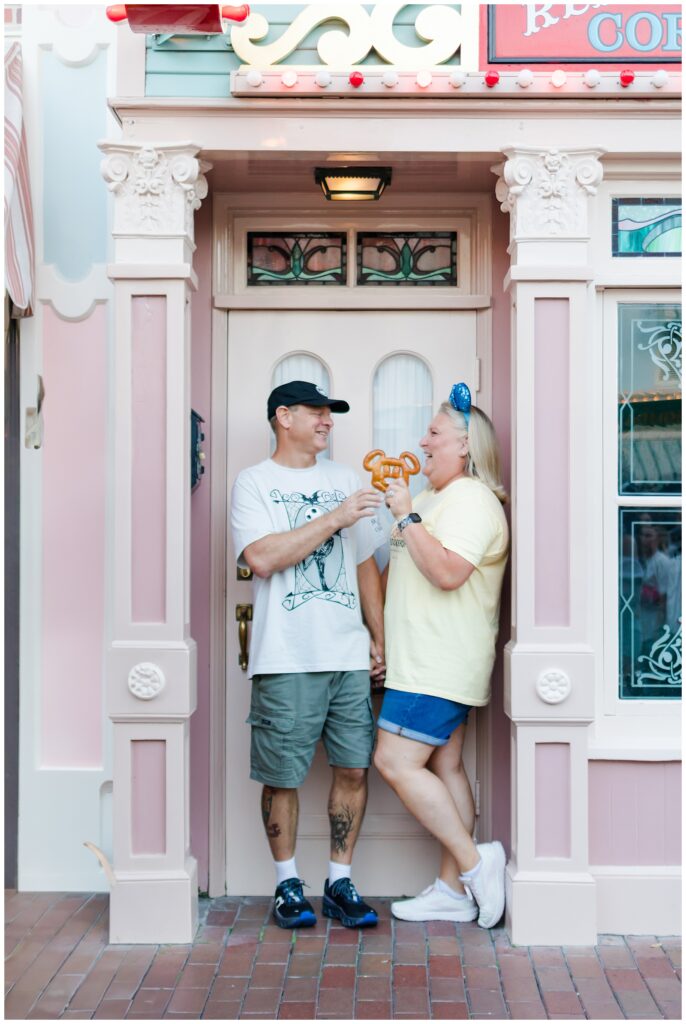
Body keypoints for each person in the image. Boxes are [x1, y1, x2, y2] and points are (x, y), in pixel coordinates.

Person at [230, 380, 386, 930]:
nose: (327, 421)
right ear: (283, 417)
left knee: (353, 769)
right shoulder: (254, 483)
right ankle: (287, 885)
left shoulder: (346, 478)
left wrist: (379, 635)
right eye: (317, 412)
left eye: (330, 413)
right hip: (286, 655)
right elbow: (264, 558)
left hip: (347, 654)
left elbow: (365, 563)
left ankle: (340, 882)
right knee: (283, 776)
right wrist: (335, 517)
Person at [373, 383, 510, 928]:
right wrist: (379, 639)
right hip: (420, 661)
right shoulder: (430, 499)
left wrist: (406, 518)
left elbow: (450, 574)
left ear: (466, 447)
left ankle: (478, 865)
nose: (421, 441)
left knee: (393, 761)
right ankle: (453, 893)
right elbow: (399, 574)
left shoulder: (472, 500)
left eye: (433, 433)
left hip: (439, 664)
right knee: (445, 764)